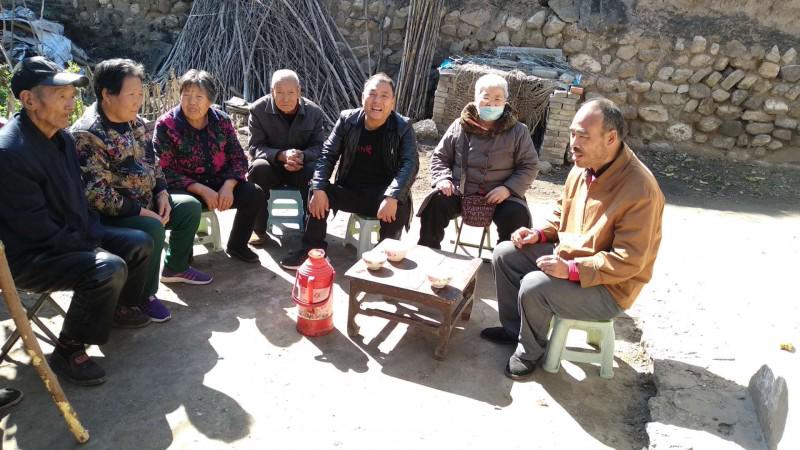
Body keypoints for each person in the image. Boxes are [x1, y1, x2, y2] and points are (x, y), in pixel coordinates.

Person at [0, 56, 154, 386]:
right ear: (28, 100)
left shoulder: (61, 138)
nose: (71, 103)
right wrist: (91, 244)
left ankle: (117, 310)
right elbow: (34, 229)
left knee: (139, 243)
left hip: (71, 236)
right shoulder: (10, 152)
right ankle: (69, 348)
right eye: (61, 95)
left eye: (72, 95)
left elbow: (77, 200)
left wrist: (93, 233)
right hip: (32, 256)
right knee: (107, 267)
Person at [486, 98, 664, 381]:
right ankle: (515, 330)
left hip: (609, 287)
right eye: (572, 133)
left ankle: (529, 352)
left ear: (611, 138)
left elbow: (629, 260)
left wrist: (571, 270)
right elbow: (561, 213)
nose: (574, 142)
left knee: (535, 285)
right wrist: (538, 234)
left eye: (583, 136)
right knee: (506, 253)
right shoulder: (583, 167)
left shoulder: (640, 189)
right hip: (572, 260)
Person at [72, 59, 213, 326]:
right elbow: (97, 195)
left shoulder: (136, 123)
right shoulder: (89, 133)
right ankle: (143, 296)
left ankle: (176, 267)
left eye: (140, 93)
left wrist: (161, 193)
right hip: (111, 214)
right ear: (107, 94)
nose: (138, 100)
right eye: (131, 94)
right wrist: (141, 211)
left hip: (145, 200)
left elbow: (153, 163)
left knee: (188, 206)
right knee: (152, 226)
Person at [279, 73, 419, 270]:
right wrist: (319, 187)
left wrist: (393, 196)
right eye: (372, 94)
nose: (377, 101)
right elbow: (328, 154)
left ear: (393, 102)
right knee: (318, 190)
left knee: (401, 202)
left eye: (384, 96)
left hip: (383, 196)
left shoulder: (402, 126)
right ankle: (312, 251)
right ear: (363, 98)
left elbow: (410, 164)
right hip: (350, 191)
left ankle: (385, 260)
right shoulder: (348, 120)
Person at [153, 69, 266, 263]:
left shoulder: (221, 121)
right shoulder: (166, 124)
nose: (191, 102)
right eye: (186, 95)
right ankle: (181, 253)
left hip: (219, 184)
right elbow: (163, 169)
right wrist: (202, 190)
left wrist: (229, 186)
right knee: (189, 206)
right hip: (184, 188)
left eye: (199, 96)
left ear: (210, 100)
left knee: (253, 193)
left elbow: (239, 158)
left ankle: (238, 246)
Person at [417, 73, 539, 248]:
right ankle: (428, 251)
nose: (492, 103)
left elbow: (530, 165)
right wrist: (443, 179)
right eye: (486, 97)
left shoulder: (519, 131)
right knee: (436, 203)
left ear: (505, 101)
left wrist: (508, 189)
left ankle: (504, 259)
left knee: (516, 215)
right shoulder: (459, 126)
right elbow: (440, 157)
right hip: (460, 191)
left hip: (501, 195)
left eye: (498, 98)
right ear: (475, 99)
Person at [246, 69, 326, 245]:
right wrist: (280, 156)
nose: (285, 98)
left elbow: (320, 147)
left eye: (291, 92)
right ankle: (258, 229)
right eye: (279, 92)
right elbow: (254, 147)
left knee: (315, 172)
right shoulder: (258, 110)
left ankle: (311, 230)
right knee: (258, 168)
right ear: (271, 91)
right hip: (272, 167)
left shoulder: (314, 113)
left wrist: (303, 156)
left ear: (299, 91)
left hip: (301, 168)